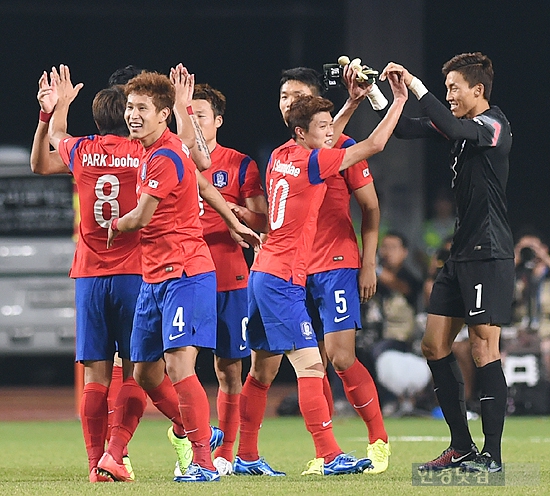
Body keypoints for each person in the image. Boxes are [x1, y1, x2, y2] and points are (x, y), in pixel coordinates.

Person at [234, 70, 407, 476]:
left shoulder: (280, 155)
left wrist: (348, 105)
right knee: (312, 366)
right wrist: (398, 101)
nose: (330, 133)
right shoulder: (315, 164)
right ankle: (330, 455)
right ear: (303, 132)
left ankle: (246, 456)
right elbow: (375, 143)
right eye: (323, 127)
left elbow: (321, 138)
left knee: (261, 370)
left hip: (261, 272)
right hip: (284, 279)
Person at [101, 69, 259, 483]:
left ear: (163, 114)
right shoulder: (154, 150)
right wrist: (232, 220)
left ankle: (204, 462)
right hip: (154, 278)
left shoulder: (167, 155)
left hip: (186, 274)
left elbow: (139, 218)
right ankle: (200, 432)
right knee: (144, 373)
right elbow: (205, 183)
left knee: (179, 367)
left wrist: (114, 226)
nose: (132, 115)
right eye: (130, 108)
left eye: (141, 109)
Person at [379, 52, 514, 473]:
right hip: (459, 256)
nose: (449, 95)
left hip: (488, 253)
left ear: (479, 90)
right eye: (446, 88)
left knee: (481, 347)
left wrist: (418, 86)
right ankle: (461, 446)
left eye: (454, 87)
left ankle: (492, 455)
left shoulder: (494, 126)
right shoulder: (462, 130)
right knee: (434, 345)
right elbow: (401, 129)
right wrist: (377, 95)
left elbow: (453, 124)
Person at [31, 67, 146, 483]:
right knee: (138, 370)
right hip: (134, 272)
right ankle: (116, 451)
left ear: (96, 120)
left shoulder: (81, 151)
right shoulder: (142, 153)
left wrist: (57, 108)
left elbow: (49, 149)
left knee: (96, 376)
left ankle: (95, 465)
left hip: (90, 276)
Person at [275, 66, 391, 474]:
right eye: (284, 96)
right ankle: (328, 451)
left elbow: (372, 209)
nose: (290, 102)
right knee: (311, 363)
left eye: (298, 95)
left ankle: (379, 441)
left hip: (338, 262)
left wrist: (369, 262)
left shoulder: (343, 148)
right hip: (295, 269)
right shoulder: (286, 155)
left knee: (340, 357)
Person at [190, 83, 268, 474]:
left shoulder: (239, 164)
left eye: (200, 115)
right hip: (185, 276)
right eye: (187, 115)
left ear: (218, 121)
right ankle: (194, 446)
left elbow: (262, 219)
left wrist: (232, 211)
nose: (194, 122)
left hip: (230, 275)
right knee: (177, 366)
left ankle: (226, 452)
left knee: (229, 367)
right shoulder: (173, 158)